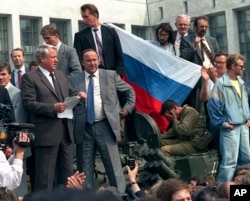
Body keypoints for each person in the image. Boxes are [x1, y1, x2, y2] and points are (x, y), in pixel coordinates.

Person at [21, 44, 87, 192]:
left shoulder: (61, 75)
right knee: (45, 180)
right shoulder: (30, 77)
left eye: (56, 56)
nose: (56, 60)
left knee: (68, 178)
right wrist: (52, 108)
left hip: (66, 134)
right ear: (42, 59)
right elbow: (28, 104)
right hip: (46, 135)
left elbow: (71, 92)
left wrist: (79, 96)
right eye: (53, 57)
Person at [69, 49, 135, 193]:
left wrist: (127, 108)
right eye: (89, 60)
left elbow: (130, 91)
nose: (92, 63)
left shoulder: (110, 75)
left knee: (113, 167)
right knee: (84, 169)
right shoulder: (74, 80)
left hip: (105, 126)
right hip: (84, 128)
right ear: (82, 62)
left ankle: (120, 197)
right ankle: (86, 198)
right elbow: (67, 101)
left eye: (95, 60)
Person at [207, 53, 250, 184]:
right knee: (229, 162)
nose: (243, 69)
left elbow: (245, 104)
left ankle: (242, 189)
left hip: (243, 126)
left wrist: (248, 119)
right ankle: (224, 191)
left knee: (246, 159)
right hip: (230, 128)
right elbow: (212, 106)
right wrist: (223, 123)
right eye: (241, 66)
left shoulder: (241, 83)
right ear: (233, 66)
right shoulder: (221, 84)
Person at [180, 16, 219, 112]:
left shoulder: (212, 40)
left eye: (206, 26)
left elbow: (218, 56)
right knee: (196, 110)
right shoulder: (186, 40)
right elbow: (183, 58)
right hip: (197, 81)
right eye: (201, 26)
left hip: (212, 78)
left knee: (212, 108)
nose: (204, 29)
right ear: (195, 27)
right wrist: (194, 45)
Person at [73, 3, 124, 76]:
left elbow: (119, 55)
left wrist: (119, 74)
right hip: (91, 75)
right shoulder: (80, 36)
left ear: (95, 15)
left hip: (111, 74)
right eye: (83, 17)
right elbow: (78, 59)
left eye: (86, 17)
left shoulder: (111, 32)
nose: (84, 20)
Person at [199, 52, 228, 149]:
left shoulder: (230, 78)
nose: (217, 65)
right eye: (216, 62)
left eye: (221, 62)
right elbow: (203, 99)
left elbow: (229, 96)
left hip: (228, 119)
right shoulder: (210, 78)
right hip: (213, 121)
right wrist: (206, 80)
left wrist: (214, 78)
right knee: (216, 148)